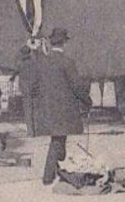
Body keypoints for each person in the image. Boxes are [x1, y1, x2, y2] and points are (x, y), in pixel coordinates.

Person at [33, 27, 91, 186]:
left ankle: (55, 170)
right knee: (57, 141)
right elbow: (77, 86)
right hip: (64, 109)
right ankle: (48, 176)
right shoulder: (67, 62)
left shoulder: (43, 62)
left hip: (47, 107)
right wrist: (87, 100)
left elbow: (36, 85)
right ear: (64, 42)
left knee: (59, 138)